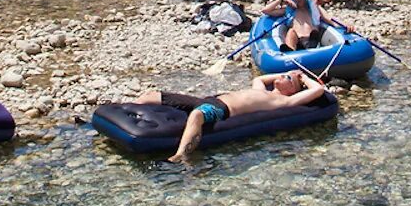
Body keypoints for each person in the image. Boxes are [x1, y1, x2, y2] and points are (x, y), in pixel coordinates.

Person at [131, 70, 330, 162]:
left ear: (293, 90)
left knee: (197, 115)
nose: (281, 77)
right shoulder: (262, 89)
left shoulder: (284, 102)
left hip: (222, 109)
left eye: (287, 78)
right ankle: (122, 112)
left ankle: (181, 155)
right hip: (208, 99)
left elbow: (319, 90)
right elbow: (260, 77)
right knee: (151, 96)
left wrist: (302, 77)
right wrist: (288, 72)